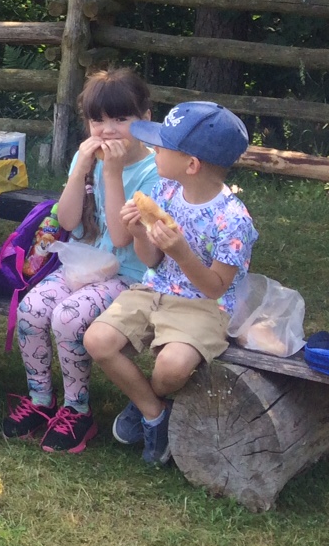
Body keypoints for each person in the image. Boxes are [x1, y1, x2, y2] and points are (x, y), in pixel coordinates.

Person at [83, 101, 256, 467]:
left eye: (162, 146)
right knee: (97, 340)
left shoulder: (233, 220)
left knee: (172, 367)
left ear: (191, 165)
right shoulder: (164, 192)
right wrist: (137, 232)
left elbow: (215, 288)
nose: (153, 149)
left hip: (204, 306)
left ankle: (146, 398)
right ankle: (154, 411)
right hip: (155, 289)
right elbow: (151, 261)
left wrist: (183, 253)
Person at [5, 70, 159, 454]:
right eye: (97, 120)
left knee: (68, 317)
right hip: (85, 265)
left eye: (121, 118)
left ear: (146, 118)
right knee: (31, 310)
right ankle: (41, 400)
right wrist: (79, 170)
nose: (107, 130)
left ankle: (78, 411)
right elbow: (69, 220)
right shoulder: (86, 157)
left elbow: (122, 239)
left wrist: (112, 173)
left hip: (130, 276)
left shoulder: (155, 172)